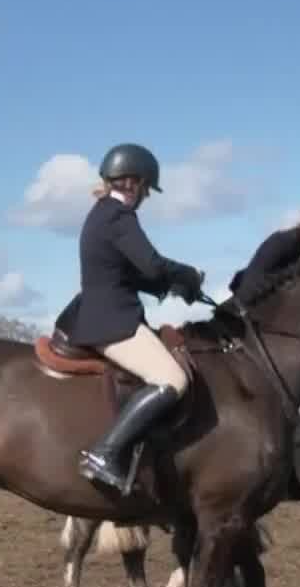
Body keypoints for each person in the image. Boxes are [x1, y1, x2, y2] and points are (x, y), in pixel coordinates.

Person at [58, 142, 208, 493]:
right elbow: (151, 264)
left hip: (101, 313)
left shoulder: (103, 213)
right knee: (172, 379)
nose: (145, 197)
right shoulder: (118, 216)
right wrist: (187, 274)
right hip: (112, 321)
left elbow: (131, 273)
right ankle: (104, 454)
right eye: (146, 189)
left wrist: (174, 287)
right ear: (135, 183)